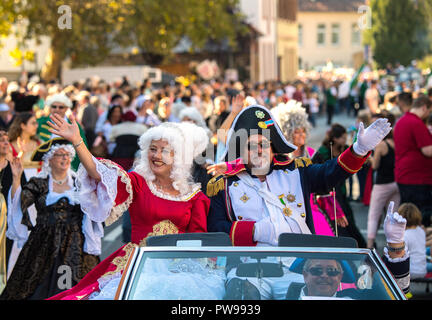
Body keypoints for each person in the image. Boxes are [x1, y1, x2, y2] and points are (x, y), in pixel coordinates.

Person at [46, 115, 210, 300]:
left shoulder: (195, 197)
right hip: (137, 264)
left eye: (164, 151)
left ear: (177, 157)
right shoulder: (138, 183)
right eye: (153, 149)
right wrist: (78, 141)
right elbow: (99, 173)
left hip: (178, 271)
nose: (156, 155)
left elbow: (198, 242)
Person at [206, 104, 390, 247]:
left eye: (264, 144)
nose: (258, 151)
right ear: (241, 151)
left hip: (296, 266)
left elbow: (330, 173)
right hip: (248, 268)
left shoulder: (296, 171)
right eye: (251, 146)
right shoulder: (224, 185)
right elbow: (216, 228)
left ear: (273, 148)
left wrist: (358, 150)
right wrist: (255, 231)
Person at [1, 138, 101, 300]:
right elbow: (20, 203)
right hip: (43, 242)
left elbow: (95, 209)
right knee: (37, 286)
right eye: (60, 155)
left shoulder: (79, 183)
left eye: (68, 155)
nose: (65, 158)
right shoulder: (39, 183)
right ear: (49, 160)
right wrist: (16, 178)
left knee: (71, 285)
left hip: (74, 244)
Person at [287, 202, 410, 299]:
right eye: (317, 270)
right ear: (305, 274)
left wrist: (396, 245)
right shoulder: (283, 297)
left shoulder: (355, 298)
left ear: (340, 276)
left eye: (332, 271)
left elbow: (394, 290)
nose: (324, 275)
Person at [315, 124, 367, 248]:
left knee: (349, 219)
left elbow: (355, 155)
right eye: (342, 138)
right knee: (338, 223)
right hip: (330, 192)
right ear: (335, 138)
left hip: (341, 190)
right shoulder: (323, 151)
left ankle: (359, 247)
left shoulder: (345, 148)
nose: (344, 140)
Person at [394, 95, 432, 227]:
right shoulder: (416, 123)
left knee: (407, 215)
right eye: (428, 111)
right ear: (424, 107)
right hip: (417, 178)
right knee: (419, 217)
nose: (428, 114)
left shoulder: (402, 121)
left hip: (405, 175)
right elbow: (428, 150)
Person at [366, 112, 400, 249]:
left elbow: (375, 166)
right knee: (393, 216)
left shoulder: (381, 145)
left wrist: (369, 159)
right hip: (395, 182)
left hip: (382, 184)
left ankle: (369, 245)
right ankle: (393, 243)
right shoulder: (395, 142)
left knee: (374, 214)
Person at [37, 93, 88, 171]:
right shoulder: (40, 122)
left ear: (66, 108)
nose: (57, 109)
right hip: (47, 165)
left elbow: (82, 144)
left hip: (70, 164)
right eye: (54, 106)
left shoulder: (73, 125)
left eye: (61, 107)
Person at [398, 203, 427, 279]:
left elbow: (401, 256)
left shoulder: (404, 235)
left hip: (410, 271)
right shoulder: (421, 231)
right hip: (423, 270)